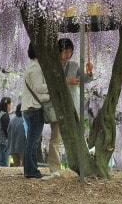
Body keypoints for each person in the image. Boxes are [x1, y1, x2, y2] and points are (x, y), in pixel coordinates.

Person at [45, 38, 94, 178]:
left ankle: (83, 165)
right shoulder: (52, 65)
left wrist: (89, 72)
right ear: (59, 51)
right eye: (65, 51)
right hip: (58, 105)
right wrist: (67, 82)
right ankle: (54, 168)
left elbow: (84, 80)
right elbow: (50, 83)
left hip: (74, 103)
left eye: (70, 51)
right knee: (56, 137)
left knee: (78, 134)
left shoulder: (73, 65)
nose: (68, 54)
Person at [22, 43, 50, 179]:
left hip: (29, 108)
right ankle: (30, 170)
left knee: (32, 141)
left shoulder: (32, 66)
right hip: (34, 109)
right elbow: (39, 88)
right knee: (32, 142)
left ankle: (31, 169)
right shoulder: (36, 68)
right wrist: (53, 85)